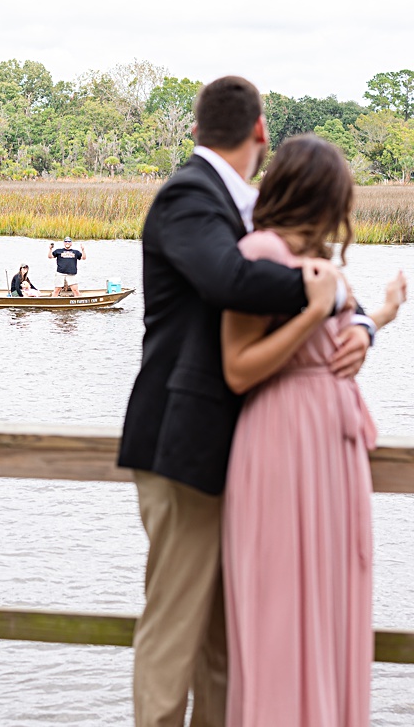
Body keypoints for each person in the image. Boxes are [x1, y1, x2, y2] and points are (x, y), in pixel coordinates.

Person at [117, 76, 375, 727]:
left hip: (237, 454)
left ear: (196, 127)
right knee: (175, 635)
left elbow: (309, 263)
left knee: (226, 647)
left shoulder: (244, 206)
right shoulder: (188, 195)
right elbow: (230, 279)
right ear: (261, 129)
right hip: (182, 443)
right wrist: (332, 300)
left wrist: (361, 321)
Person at [220, 136, 404, 727]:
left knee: (331, 602)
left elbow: (332, 331)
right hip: (283, 441)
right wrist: (311, 313)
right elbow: (238, 367)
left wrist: (376, 320)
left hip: (331, 450)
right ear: (318, 194)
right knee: (283, 605)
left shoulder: (312, 256)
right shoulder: (260, 249)